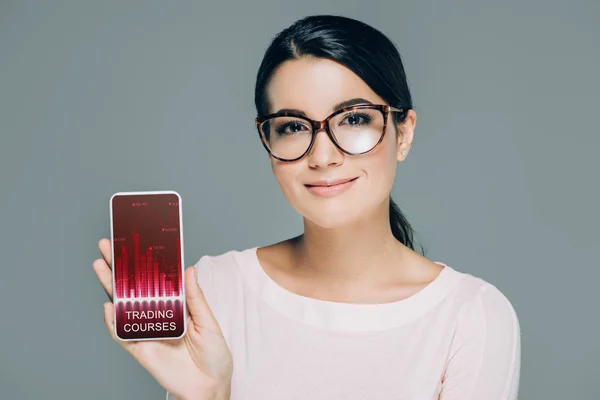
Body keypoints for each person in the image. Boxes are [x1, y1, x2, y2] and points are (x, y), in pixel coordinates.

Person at [93, 14, 521, 400]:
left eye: (353, 119)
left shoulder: (472, 316)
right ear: (268, 143)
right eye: (294, 127)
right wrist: (208, 396)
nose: (322, 156)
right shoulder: (212, 293)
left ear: (402, 132)